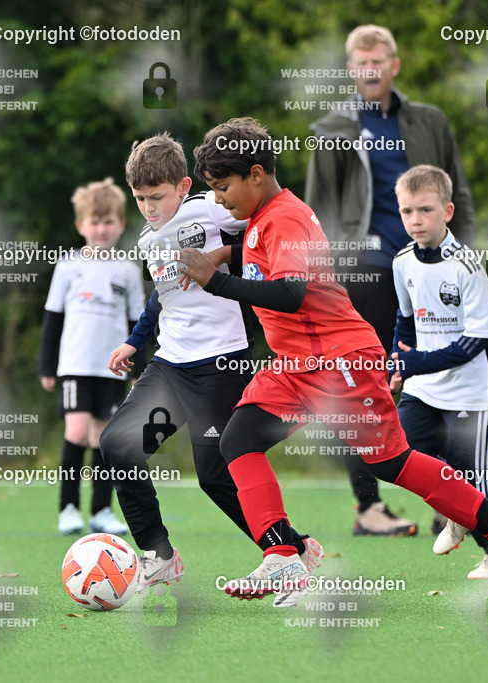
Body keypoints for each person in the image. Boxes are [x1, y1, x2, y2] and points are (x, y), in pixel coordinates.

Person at [179, 117, 488, 608]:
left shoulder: (285, 216)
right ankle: (284, 553)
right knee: (238, 439)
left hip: (340, 359)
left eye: (223, 187)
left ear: (256, 174)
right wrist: (225, 253)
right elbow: (260, 253)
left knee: (390, 463)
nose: (218, 199)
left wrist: (215, 280)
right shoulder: (268, 218)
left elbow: (289, 292)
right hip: (298, 365)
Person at [98, 133, 322, 593]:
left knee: (217, 475)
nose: (148, 207)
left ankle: (291, 549)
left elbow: (263, 236)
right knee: (117, 446)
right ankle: (160, 557)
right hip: (169, 366)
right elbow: (161, 299)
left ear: (183, 186)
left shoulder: (214, 208)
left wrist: (227, 258)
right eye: (139, 198)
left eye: (156, 197)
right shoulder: (146, 238)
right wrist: (134, 342)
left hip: (219, 363)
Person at [305, 25, 476, 536]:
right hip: (365, 273)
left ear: (394, 65)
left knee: (439, 377)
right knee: (362, 383)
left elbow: (458, 192)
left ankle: (452, 497)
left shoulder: (430, 121)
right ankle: (369, 506)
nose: (371, 69)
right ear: (351, 69)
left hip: (431, 269)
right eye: (361, 62)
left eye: (379, 60)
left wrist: (463, 256)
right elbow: (319, 210)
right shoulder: (329, 129)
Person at [388, 165, 488, 580]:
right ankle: (455, 507)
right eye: (407, 212)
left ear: (448, 211)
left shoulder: (467, 266)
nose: (415, 220)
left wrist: (413, 363)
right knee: (398, 449)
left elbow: (476, 342)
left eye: (425, 210)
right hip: (424, 387)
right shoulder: (402, 261)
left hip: (472, 391)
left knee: (477, 479)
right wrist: (395, 362)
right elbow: (405, 320)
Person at [39, 178, 143, 536]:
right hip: (74, 368)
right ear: (81, 225)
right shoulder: (68, 266)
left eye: (108, 221)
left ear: (121, 224)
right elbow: (53, 319)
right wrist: (47, 365)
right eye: (94, 222)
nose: (101, 229)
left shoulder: (128, 270)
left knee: (103, 440)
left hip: (112, 370)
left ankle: (101, 510)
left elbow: (137, 323)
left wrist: (137, 371)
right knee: (77, 431)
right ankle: (68, 508)